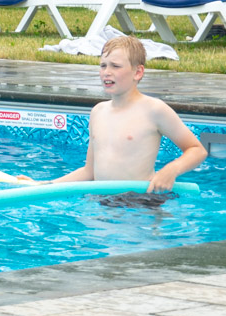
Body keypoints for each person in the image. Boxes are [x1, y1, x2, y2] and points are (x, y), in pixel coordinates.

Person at [47, 34, 206, 205]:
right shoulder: (98, 112)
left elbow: (197, 150)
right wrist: (46, 184)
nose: (107, 72)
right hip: (103, 201)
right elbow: (89, 172)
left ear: (138, 72)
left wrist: (170, 170)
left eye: (115, 66)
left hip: (141, 201)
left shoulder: (154, 110)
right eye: (103, 65)